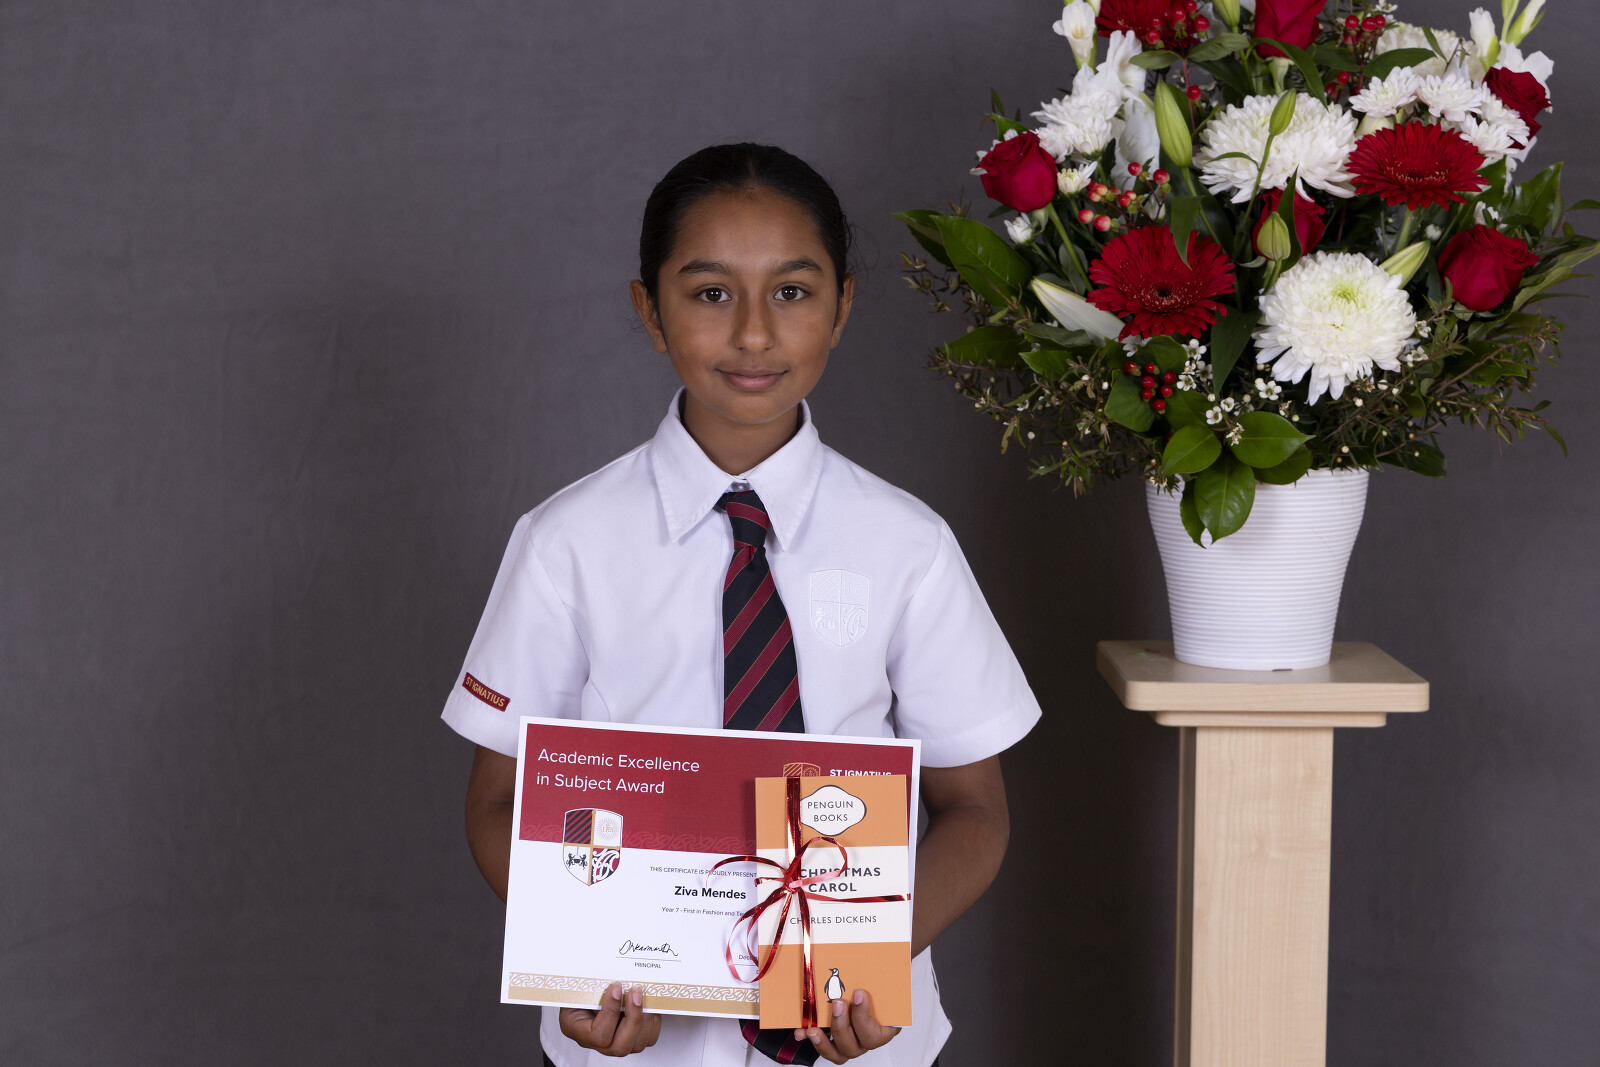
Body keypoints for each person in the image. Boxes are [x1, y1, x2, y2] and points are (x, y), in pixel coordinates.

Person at [443, 143, 1041, 1066]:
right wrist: (583, 959)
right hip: (638, 1042)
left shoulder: (908, 545)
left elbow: (974, 808)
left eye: (792, 292)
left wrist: (864, 962)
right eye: (712, 292)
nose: (754, 334)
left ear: (842, 307)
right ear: (650, 311)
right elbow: (497, 799)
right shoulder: (565, 542)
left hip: (858, 1035)